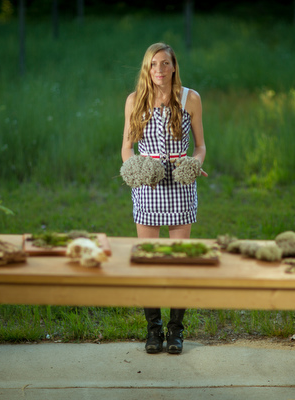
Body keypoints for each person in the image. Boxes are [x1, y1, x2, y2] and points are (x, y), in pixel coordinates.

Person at [121, 43, 206, 354]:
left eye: (165, 64)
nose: (159, 70)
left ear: (173, 67)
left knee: (180, 261)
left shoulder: (190, 99)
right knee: (148, 260)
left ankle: (176, 330)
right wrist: (136, 169)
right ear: (147, 67)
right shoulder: (135, 101)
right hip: (148, 185)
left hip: (180, 183)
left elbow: (201, 146)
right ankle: (153, 330)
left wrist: (195, 163)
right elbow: (126, 148)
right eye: (154, 64)